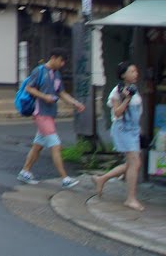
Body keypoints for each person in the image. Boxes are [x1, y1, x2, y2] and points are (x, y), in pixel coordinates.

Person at [16, 47, 86, 188]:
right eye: (61, 60)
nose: (62, 64)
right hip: (41, 113)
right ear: (53, 57)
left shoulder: (57, 74)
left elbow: (61, 92)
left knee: (38, 146)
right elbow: (29, 88)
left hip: (49, 114)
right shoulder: (40, 71)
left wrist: (75, 103)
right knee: (55, 145)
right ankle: (65, 178)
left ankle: (25, 171)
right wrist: (44, 97)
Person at [92, 62, 145, 211]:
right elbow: (117, 113)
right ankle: (130, 199)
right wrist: (126, 99)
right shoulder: (117, 91)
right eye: (132, 71)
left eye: (136, 71)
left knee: (131, 164)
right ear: (123, 75)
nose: (136, 73)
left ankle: (101, 179)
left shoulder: (134, 89)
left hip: (133, 130)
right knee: (135, 163)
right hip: (123, 130)